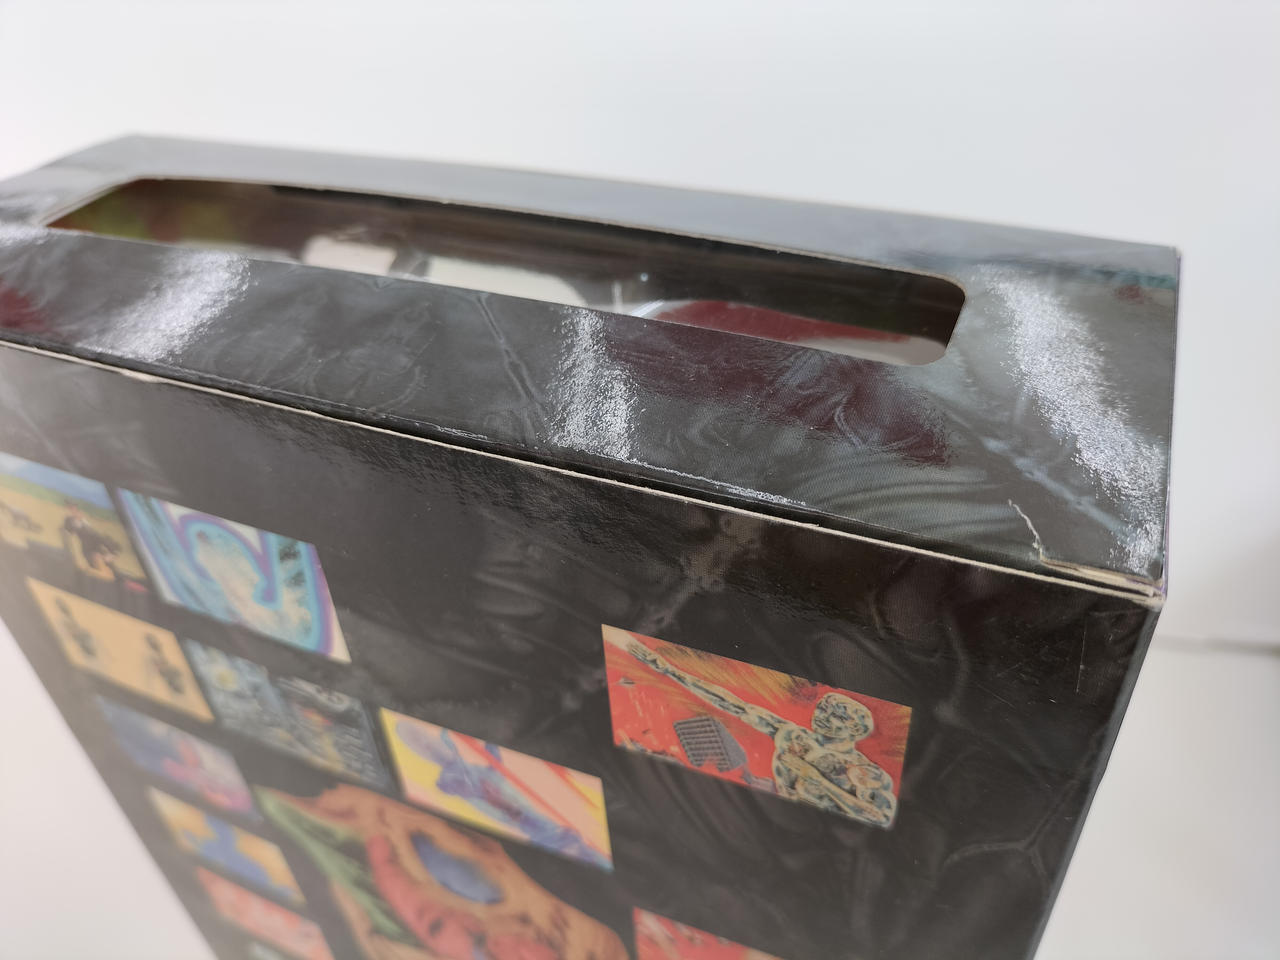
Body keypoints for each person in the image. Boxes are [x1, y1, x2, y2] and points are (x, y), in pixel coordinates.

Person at [613, 634, 897, 827]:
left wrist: (817, 780)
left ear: (853, 729)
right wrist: (667, 669)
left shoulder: (867, 774)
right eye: (824, 708)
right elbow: (733, 704)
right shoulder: (791, 735)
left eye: (836, 715)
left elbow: (881, 817)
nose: (823, 714)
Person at [60, 501, 121, 577]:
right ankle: (89, 569)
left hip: (96, 547)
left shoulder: (83, 522)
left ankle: (111, 555)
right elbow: (69, 529)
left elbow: (95, 534)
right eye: (71, 509)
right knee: (104, 568)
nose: (74, 511)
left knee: (109, 568)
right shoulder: (71, 521)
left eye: (74, 508)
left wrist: (80, 519)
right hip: (90, 549)